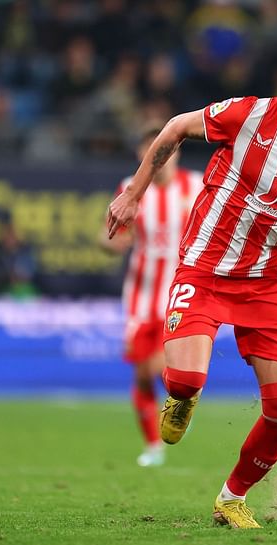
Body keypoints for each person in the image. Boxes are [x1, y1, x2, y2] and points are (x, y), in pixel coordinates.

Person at [106, 34, 277, 528]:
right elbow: (176, 128)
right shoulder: (248, 115)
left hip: (271, 285)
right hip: (205, 269)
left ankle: (230, 499)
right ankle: (181, 399)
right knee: (184, 379)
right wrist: (135, 193)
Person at [99, 124, 201, 468]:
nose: (162, 158)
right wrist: (113, 243)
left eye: (168, 150)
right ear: (142, 156)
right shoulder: (130, 189)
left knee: (161, 367)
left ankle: (182, 399)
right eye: (153, 151)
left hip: (181, 295)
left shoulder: (196, 186)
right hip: (141, 297)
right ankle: (154, 445)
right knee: (143, 375)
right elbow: (108, 237)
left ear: (177, 153)